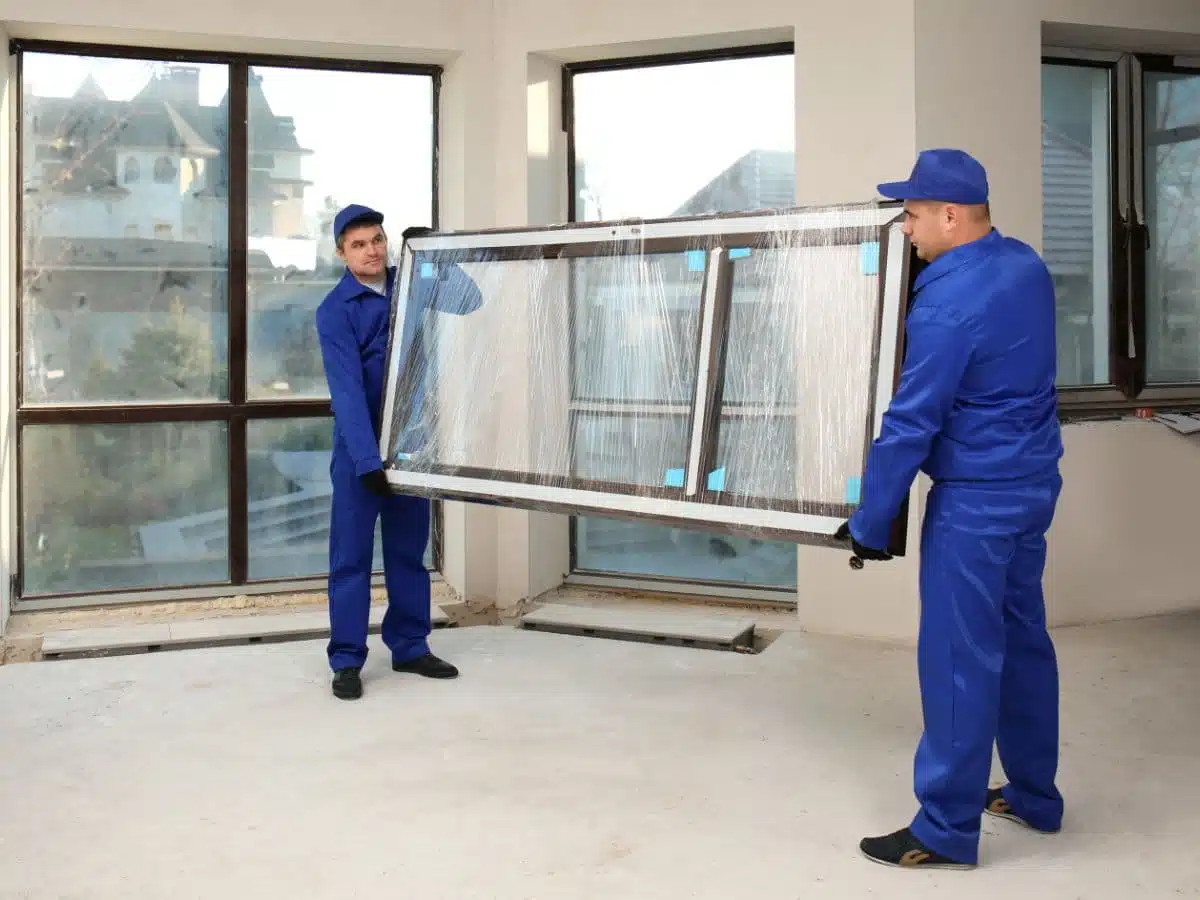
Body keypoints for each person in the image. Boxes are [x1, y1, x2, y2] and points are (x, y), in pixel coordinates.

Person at [835, 149, 1065, 870]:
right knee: (1024, 639)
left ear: (949, 215)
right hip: (1032, 486)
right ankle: (1034, 794)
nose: (904, 227)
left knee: (961, 658)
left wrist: (872, 521)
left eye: (909, 214)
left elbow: (911, 422)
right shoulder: (1026, 266)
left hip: (976, 504)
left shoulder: (947, 300)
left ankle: (944, 826)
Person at [315, 203, 477, 701]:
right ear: (342, 254)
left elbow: (471, 301)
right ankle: (346, 660)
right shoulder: (335, 311)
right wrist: (368, 463)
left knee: (409, 554)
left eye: (378, 240)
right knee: (351, 560)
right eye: (359, 244)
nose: (372, 250)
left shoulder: (413, 284)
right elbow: (345, 393)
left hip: (410, 447)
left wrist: (439, 257)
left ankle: (409, 646)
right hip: (359, 456)